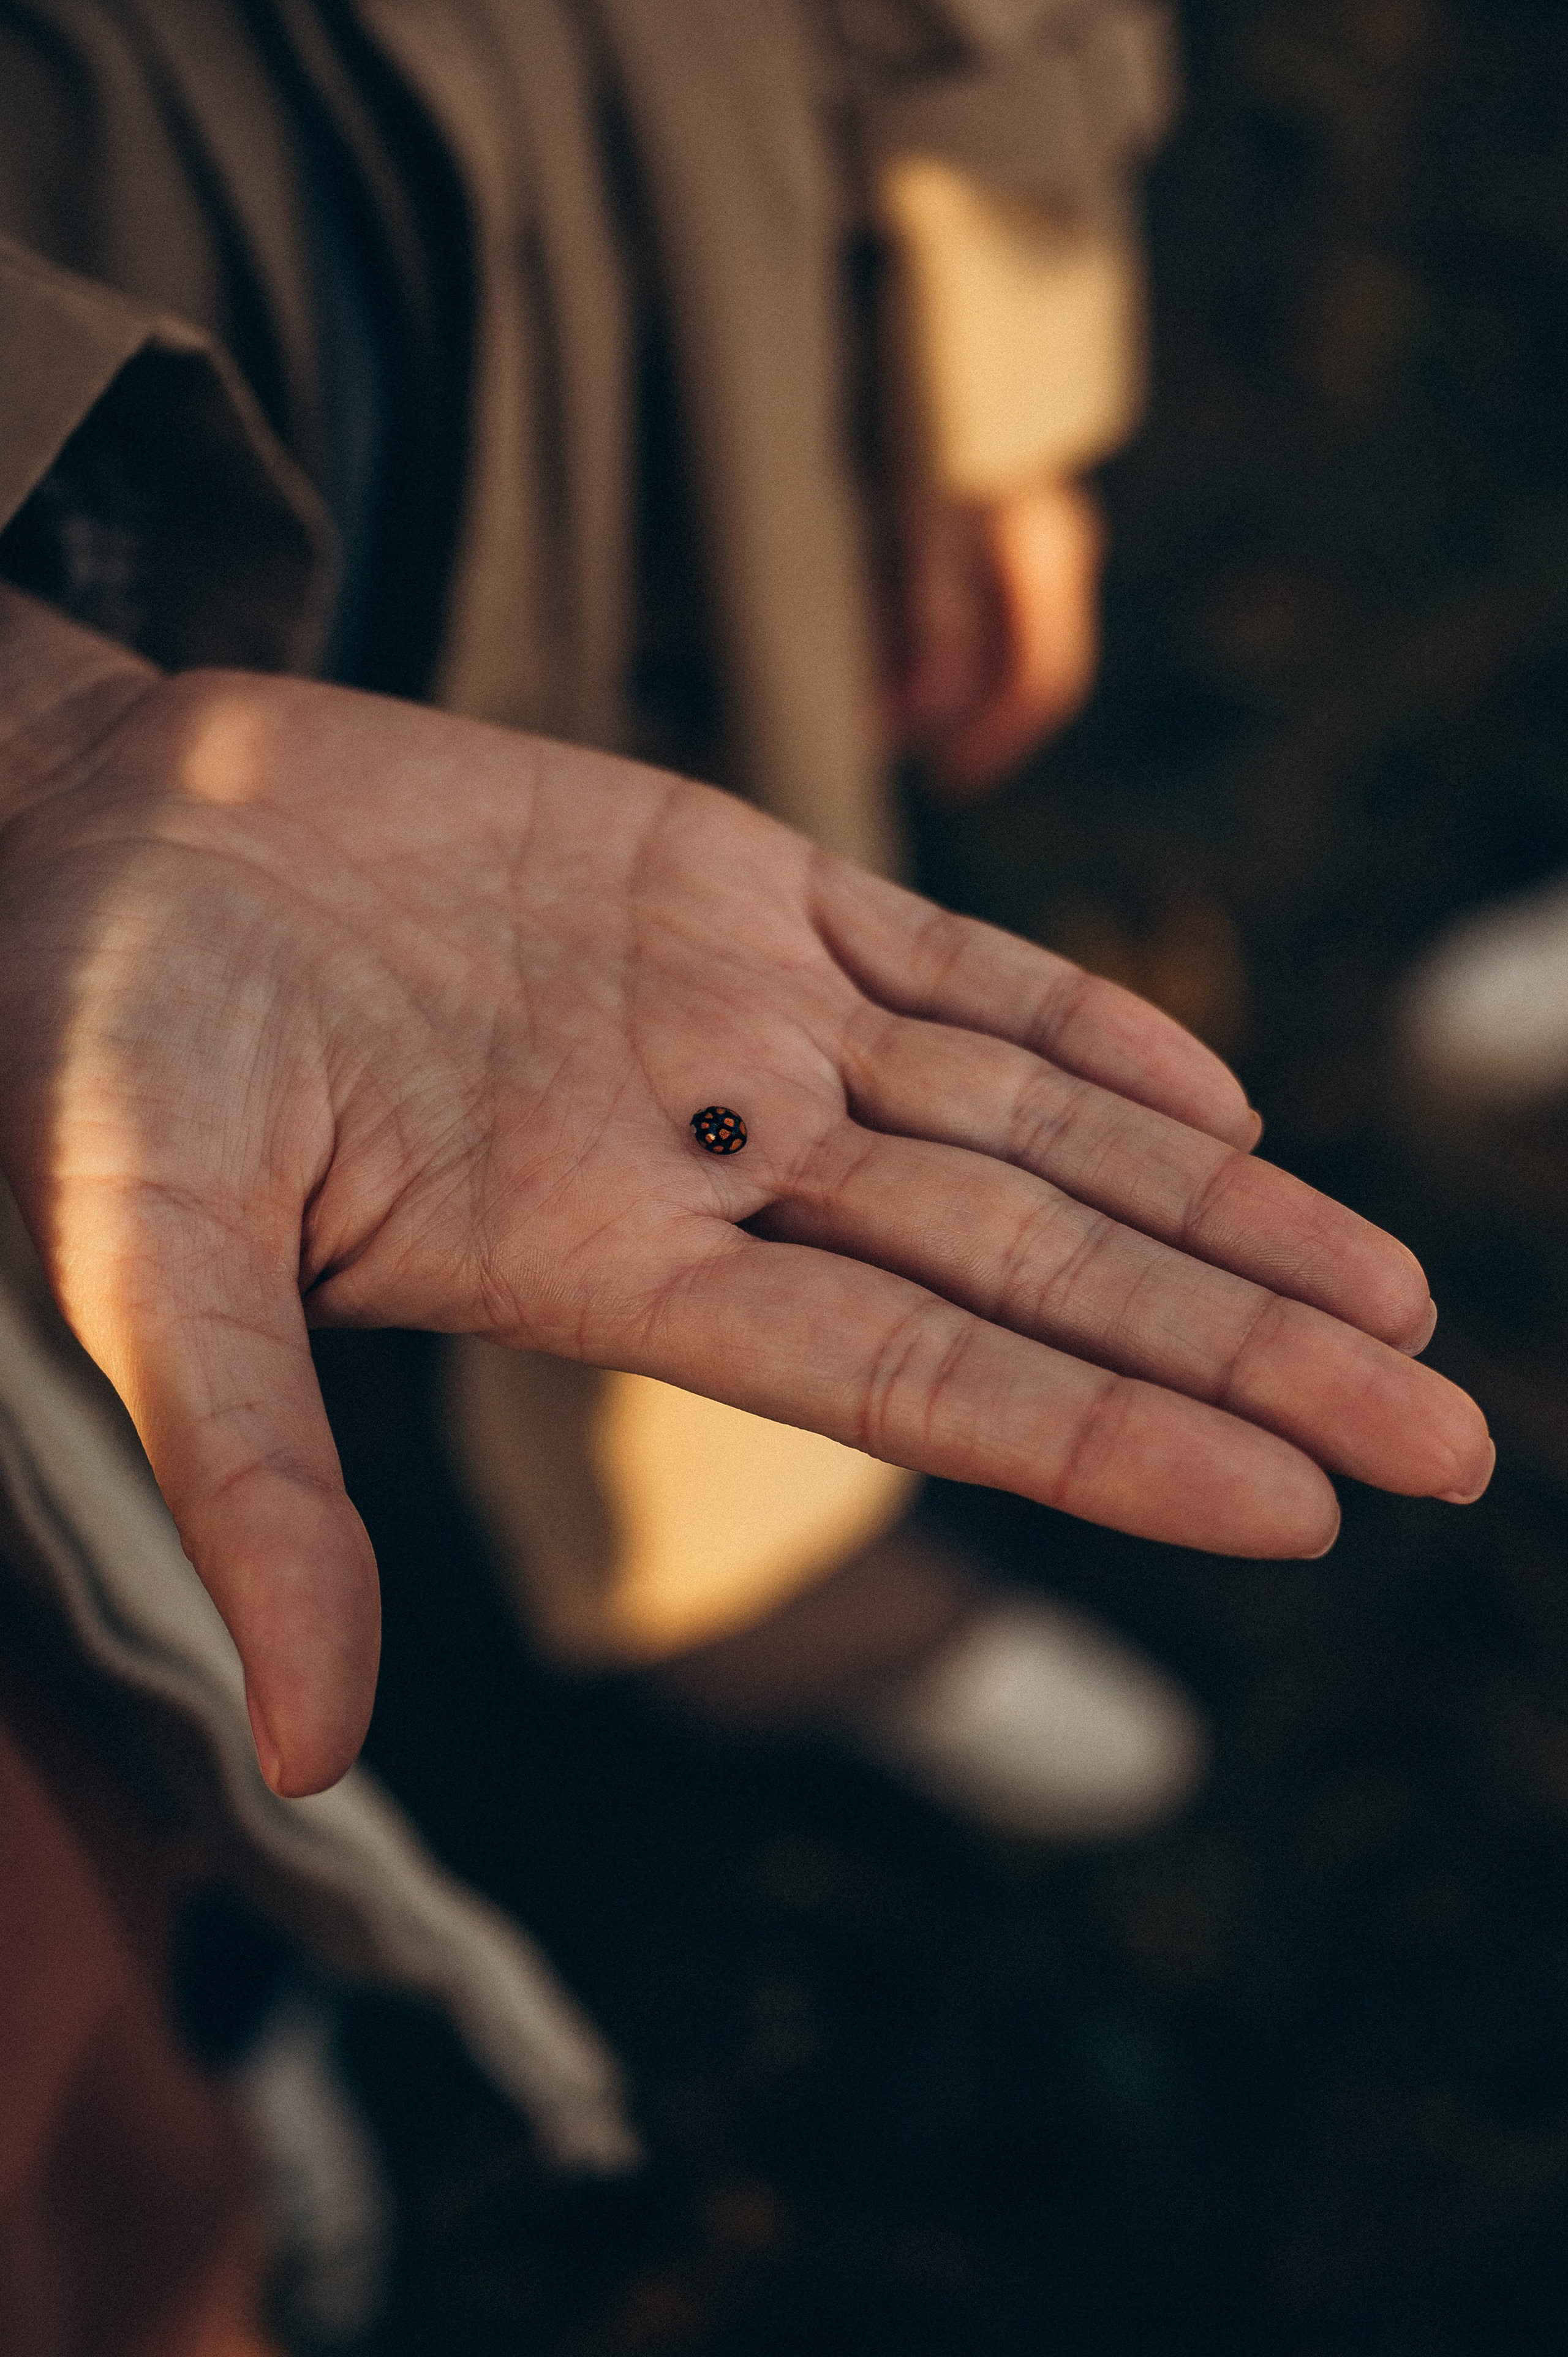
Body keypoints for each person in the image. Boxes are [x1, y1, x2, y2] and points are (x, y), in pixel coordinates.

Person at [0, 3, 1494, 2347]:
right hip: (96, 382)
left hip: (668, 210)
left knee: (682, 1046)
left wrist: (1002, 221)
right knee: (138, 1295)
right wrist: (35, 719)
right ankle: (200, 1962)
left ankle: (754, 1577)